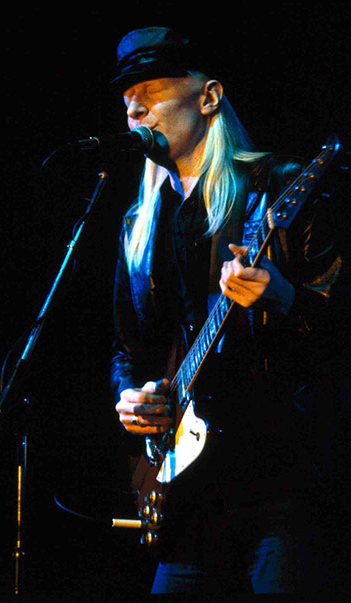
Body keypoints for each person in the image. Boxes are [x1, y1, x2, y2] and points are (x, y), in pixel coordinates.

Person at [110, 26, 348, 599]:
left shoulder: (281, 189)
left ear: (209, 97)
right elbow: (129, 349)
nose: (135, 106)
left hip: (284, 487)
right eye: (126, 99)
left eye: (152, 90)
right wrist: (133, 397)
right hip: (188, 497)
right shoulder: (137, 227)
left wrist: (284, 300)